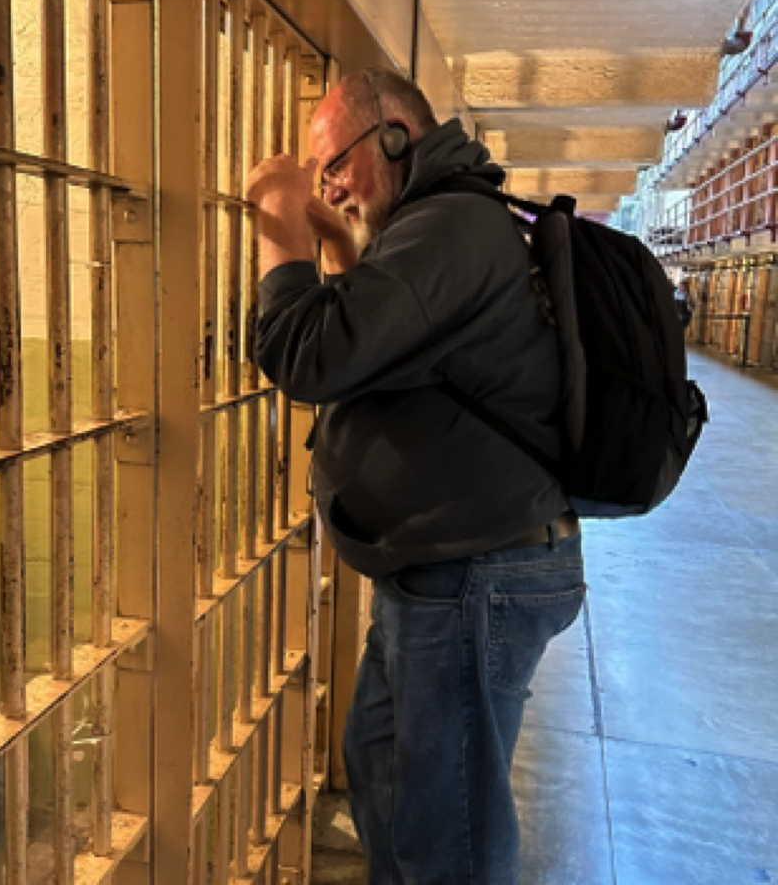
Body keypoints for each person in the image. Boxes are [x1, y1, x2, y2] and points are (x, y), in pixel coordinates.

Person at [247, 67, 585, 885]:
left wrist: (281, 225)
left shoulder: (450, 228)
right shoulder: (440, 227)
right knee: (384, 766)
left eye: (336, 166)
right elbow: (376, 328)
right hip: (447, 573)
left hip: (473, 574)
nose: (331, 186)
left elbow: (310, 353)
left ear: (396, 133)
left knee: (449, 833)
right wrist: (334, 236)